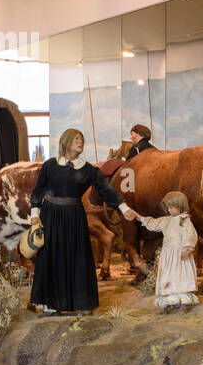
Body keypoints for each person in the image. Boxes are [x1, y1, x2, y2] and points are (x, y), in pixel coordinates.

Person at [30, 128, 136, 314]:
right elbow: (39, 190)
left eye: (82, 139)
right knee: (52, 257)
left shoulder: (89, 170)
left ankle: (81, 303)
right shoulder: (50, 166)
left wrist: (124, 208)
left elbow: (106, 191)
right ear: (66, 142)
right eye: (76, 139)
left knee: (77, 257)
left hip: (74, 217)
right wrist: (34, 213)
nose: (81, 142)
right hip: (51, 215)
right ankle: (52, 304)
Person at [133, 191, 199, 313]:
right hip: (168, 255)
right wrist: (139, 217)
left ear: (180, 206)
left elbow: (190, 235)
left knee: (180, 276)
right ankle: (169, 301)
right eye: (168, 207)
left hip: (180, 256)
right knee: (168, 277)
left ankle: (183, 303)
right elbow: (153, 223)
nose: (169, 210)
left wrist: (187, 248)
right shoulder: (166, 221)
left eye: (171, 207)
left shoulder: (184, 220)